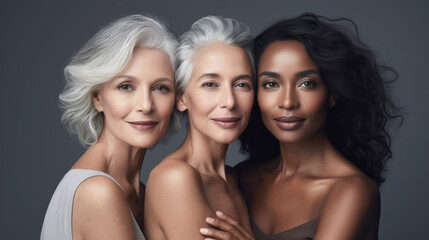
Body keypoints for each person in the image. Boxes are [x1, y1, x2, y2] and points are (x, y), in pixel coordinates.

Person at [203, 13, 402, 240]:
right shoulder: (243, 177)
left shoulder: (353, 191)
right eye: (271, 84)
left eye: (306, 83)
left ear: (333, 93)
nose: (288, 102)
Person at [41, 14, 178, 240]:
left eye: (161, 88)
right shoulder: (98, 192)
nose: (145, 105)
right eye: (126, 87)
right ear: (97, 98)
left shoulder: (142, 193)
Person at [144, 16, 255, 239]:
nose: (230, 101)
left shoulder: (233, 179)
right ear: (182, 98)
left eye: (241, 84)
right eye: (210, 84)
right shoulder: (175, 178)